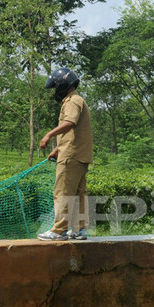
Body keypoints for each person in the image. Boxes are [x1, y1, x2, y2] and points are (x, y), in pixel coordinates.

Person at [38, 67, 93, 241]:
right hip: (79, 154)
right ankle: (80, 229)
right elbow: (72, 132)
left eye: (56, 87)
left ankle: (59, 230)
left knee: (62, 192)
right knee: (78, 193)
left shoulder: (72, 101)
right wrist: (57, 148)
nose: (55, 91)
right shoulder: (78, 99)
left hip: (71, 156)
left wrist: (49, 134)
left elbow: (70, 122)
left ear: (63, 84)